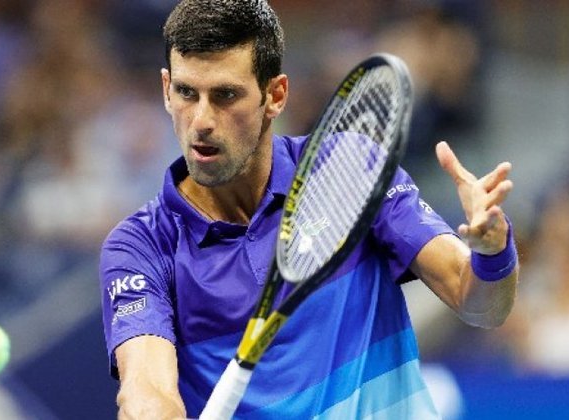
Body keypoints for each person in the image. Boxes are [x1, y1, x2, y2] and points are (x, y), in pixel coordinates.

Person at [99, 1, 519, 419]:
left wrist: (490, 253)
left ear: (275, 95)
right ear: (166, 90)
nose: (202, 120)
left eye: (226, 95)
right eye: (186, 93)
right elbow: (147, 390)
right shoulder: (140, 247)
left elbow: (481, 305)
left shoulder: (349, 170)